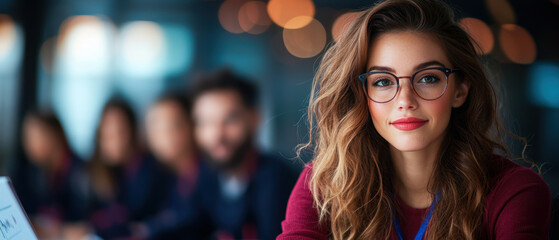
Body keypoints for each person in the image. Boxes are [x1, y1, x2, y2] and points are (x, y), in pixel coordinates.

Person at [277, 0, 551, 239]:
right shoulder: (323, 185)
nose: (405, 100)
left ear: (460, 90)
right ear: (363, 95)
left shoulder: (514, 191)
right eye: (383, 81)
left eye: (428, 78)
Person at [189, 69, 299, 239]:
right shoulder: (207, 173)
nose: (217, 134)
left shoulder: (278, 180)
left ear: (254, 119)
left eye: (230, 120)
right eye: (206, 122)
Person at [87, 97, 172, 239]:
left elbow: (133, 223)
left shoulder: (151, 171)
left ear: (133, 131)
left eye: (119, 132)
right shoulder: (106, 171)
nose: (114, 141)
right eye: (106, 134)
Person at [138, 92, 203, 239]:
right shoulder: (167, 175)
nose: (161, 135)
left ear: (191, 126)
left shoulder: (208, 175)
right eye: (154, 126)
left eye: (170, 126)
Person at [18, 109, 89, 239]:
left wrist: (55, 231)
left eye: (33, 136)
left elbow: (84, 227)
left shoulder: (83, 174)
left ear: (54, 135)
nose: (28, 145)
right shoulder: (34, 173)